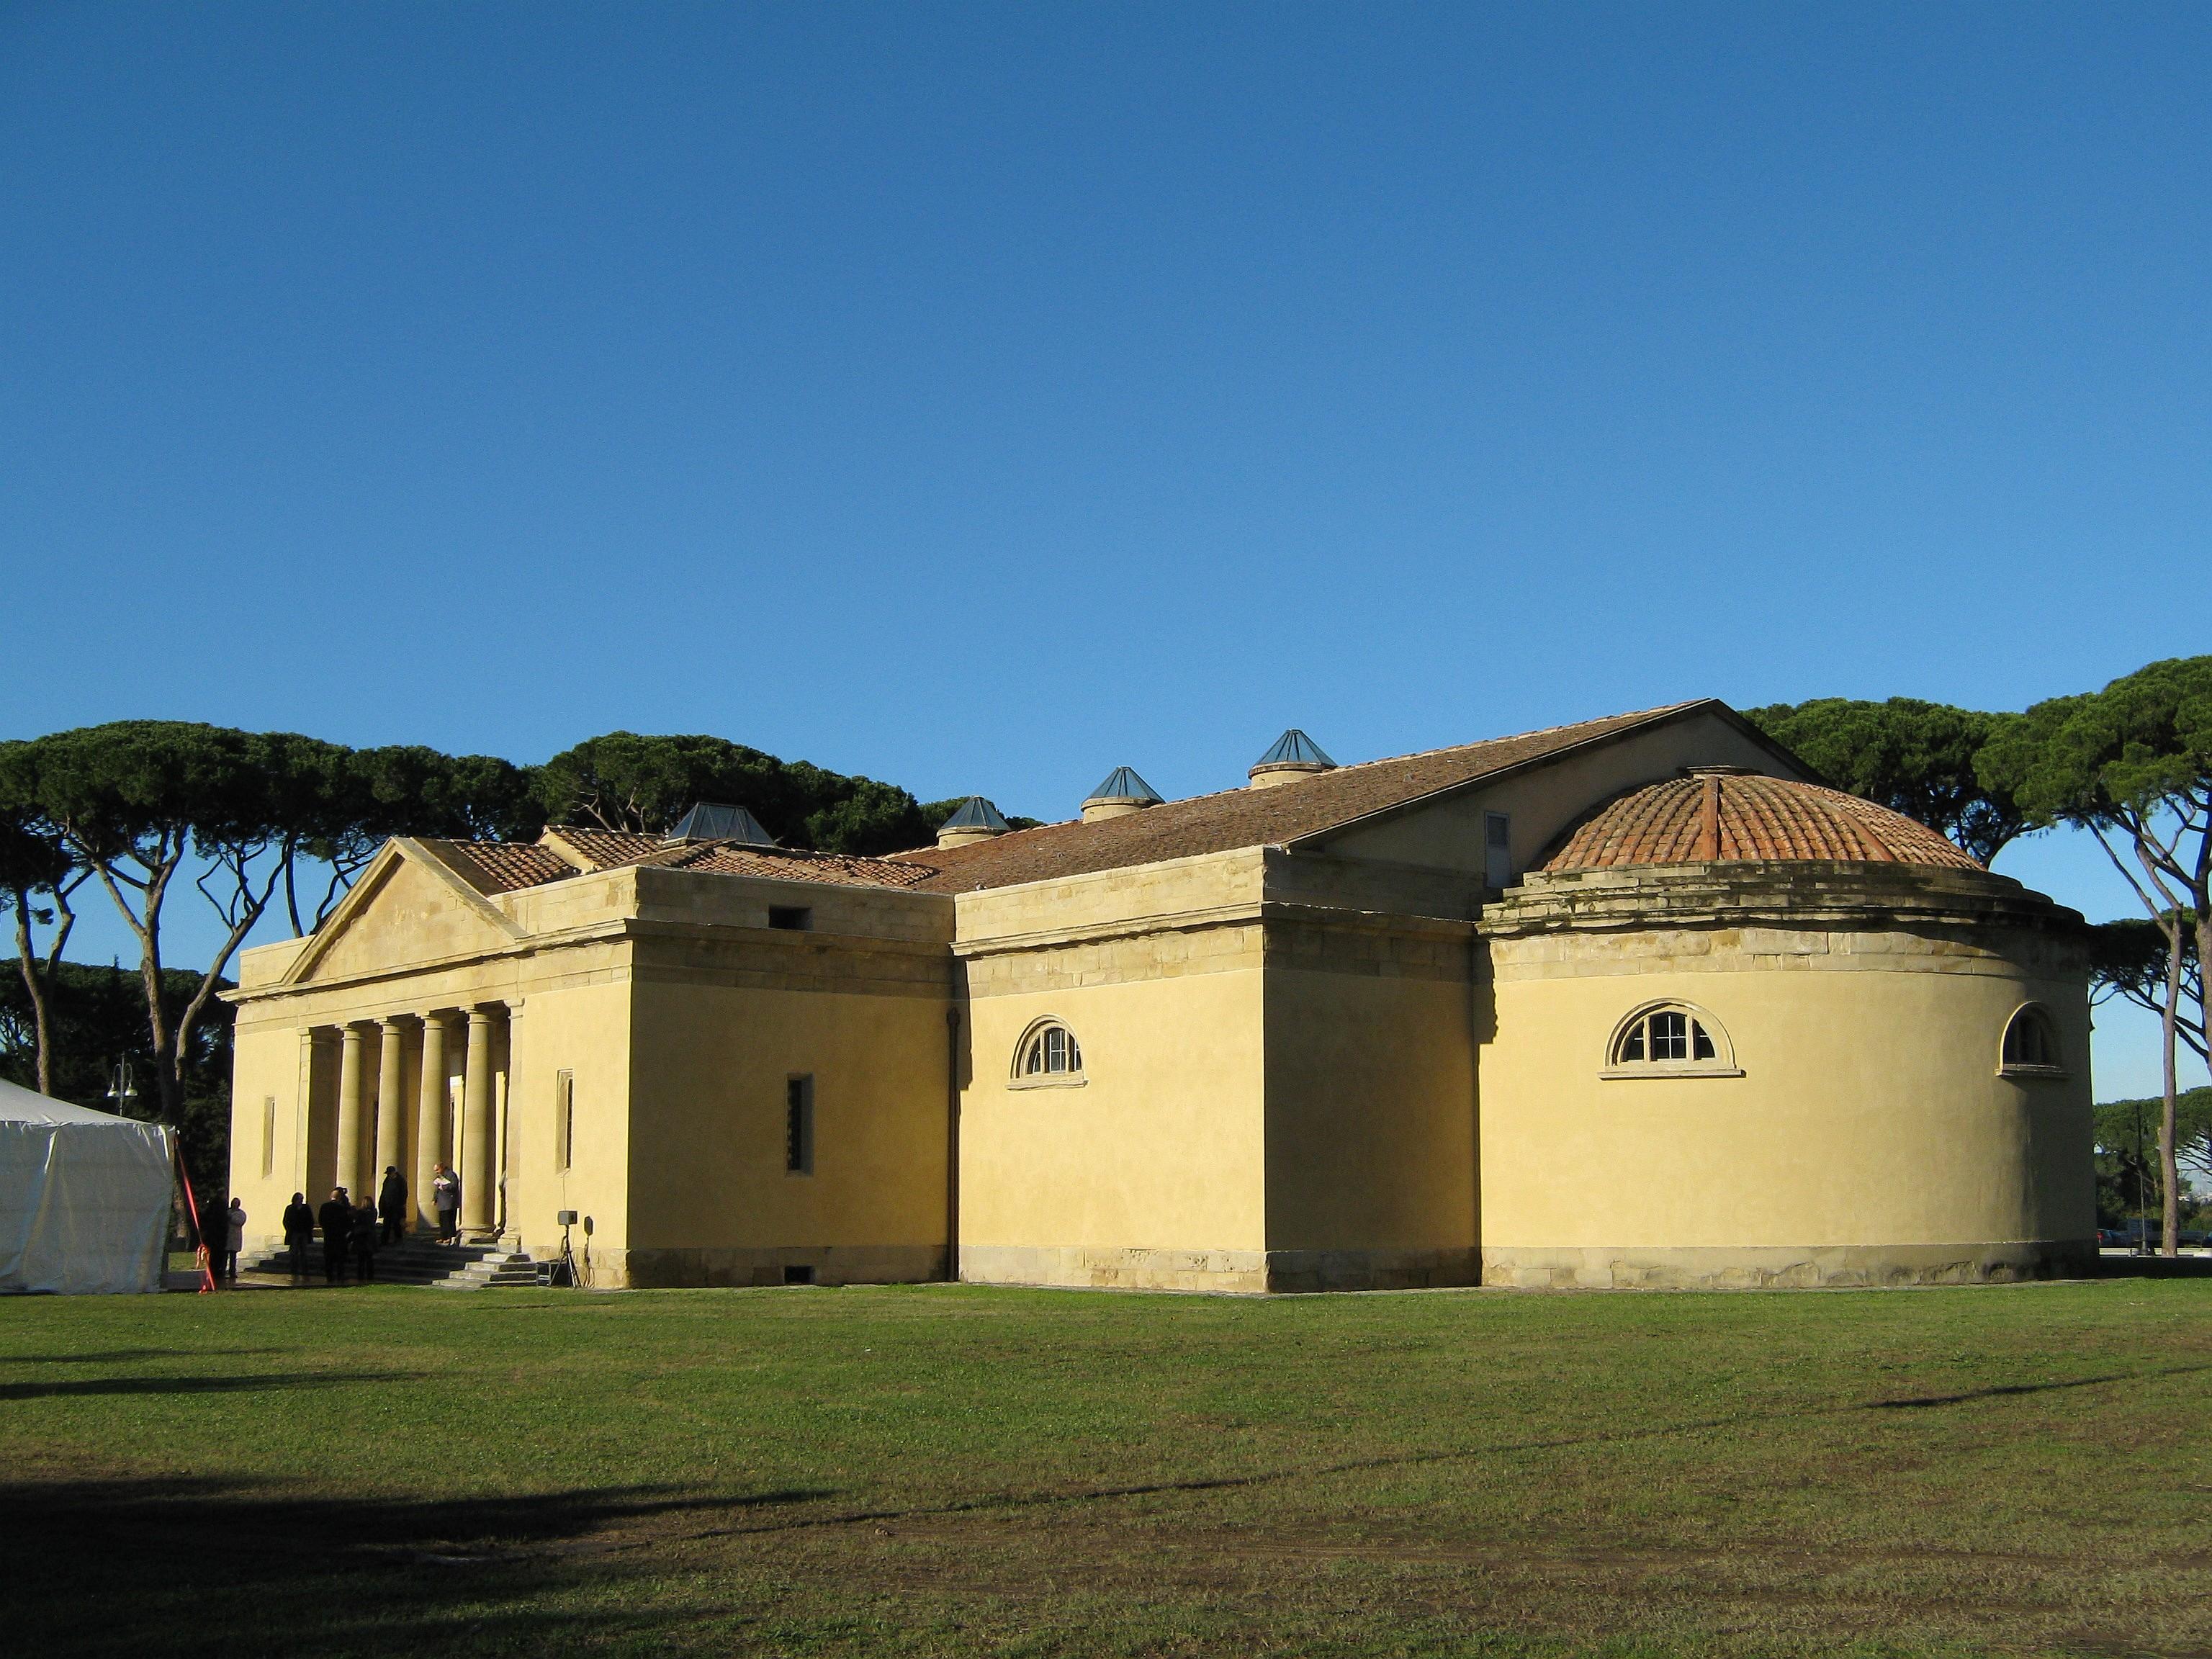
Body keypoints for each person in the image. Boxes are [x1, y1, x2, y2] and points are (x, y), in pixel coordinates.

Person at [318, 1187, 353, 1285]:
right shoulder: (341, 1208)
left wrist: (326, 1229)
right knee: (340, 1258)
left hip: (328, 1236)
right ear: (339, 1198)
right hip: (340, 1237)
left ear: (331, 1197)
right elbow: (347, 1222)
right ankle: (340, 1276)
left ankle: (329, 1276)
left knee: (329, 1258)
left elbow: (321, 1220)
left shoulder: (324, 1207)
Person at [282, 1192, 315, 1280]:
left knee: (304, 1253)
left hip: (304, 1233)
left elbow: (310, 1220)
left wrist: (308, 1229)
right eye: (299, 1199)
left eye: (301, 1199)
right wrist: (290, 1230)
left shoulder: (306, 1208)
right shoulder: (290, 1208)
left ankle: (305, 1270)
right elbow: (286, 1221)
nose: (300, 1201)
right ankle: (294, 1269)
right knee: (294, 1253)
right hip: (294, 1233)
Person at [352, 1193, 381, 1282]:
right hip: (370, 1237)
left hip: (361, 1237)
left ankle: (360, 1276)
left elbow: (357, 1222)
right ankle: (370, 1276)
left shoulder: (360, 1213)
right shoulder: (374, 1212)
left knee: (361, 1260)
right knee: (369, 1259)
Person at [377, 1165, 409, 1245]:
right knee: (386, 1224)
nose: (389, 1175)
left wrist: (402, 1204)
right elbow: (384, 1192)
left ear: (394, 1173)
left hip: (396, 1207)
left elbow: (404, 1193)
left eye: (390, 1173)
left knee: (396, 1224)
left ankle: (398, 1240)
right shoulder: (387, 1181)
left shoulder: (400, 1181)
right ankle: (384, 1241)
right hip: (387, 1206)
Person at [432, 1164, 460, 1243]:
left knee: (449, 1220)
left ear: (442, 1168)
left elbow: (454, 1185)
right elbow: (437, 1189)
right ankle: (443, 1237)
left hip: (450, 1201)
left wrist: (444, 1187)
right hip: (442, 1202)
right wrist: (435, 1199)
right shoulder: (440, 1176)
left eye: (437, 1170)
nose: (436, 1172)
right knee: (442, 1221)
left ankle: (450, 1237)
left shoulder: (451, 1175)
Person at [220, 1197, 246, 1283]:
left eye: (236, 1203)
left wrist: (231, 1218)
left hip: (235, 1237)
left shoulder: (241, 1214)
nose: (235, 1204)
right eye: (234, 1203)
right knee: (224, 1257)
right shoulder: (227, 1212)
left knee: (233, 1257)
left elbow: (240, 1222)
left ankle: (232, 1272)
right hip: (227, 1236)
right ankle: (222, 1271)